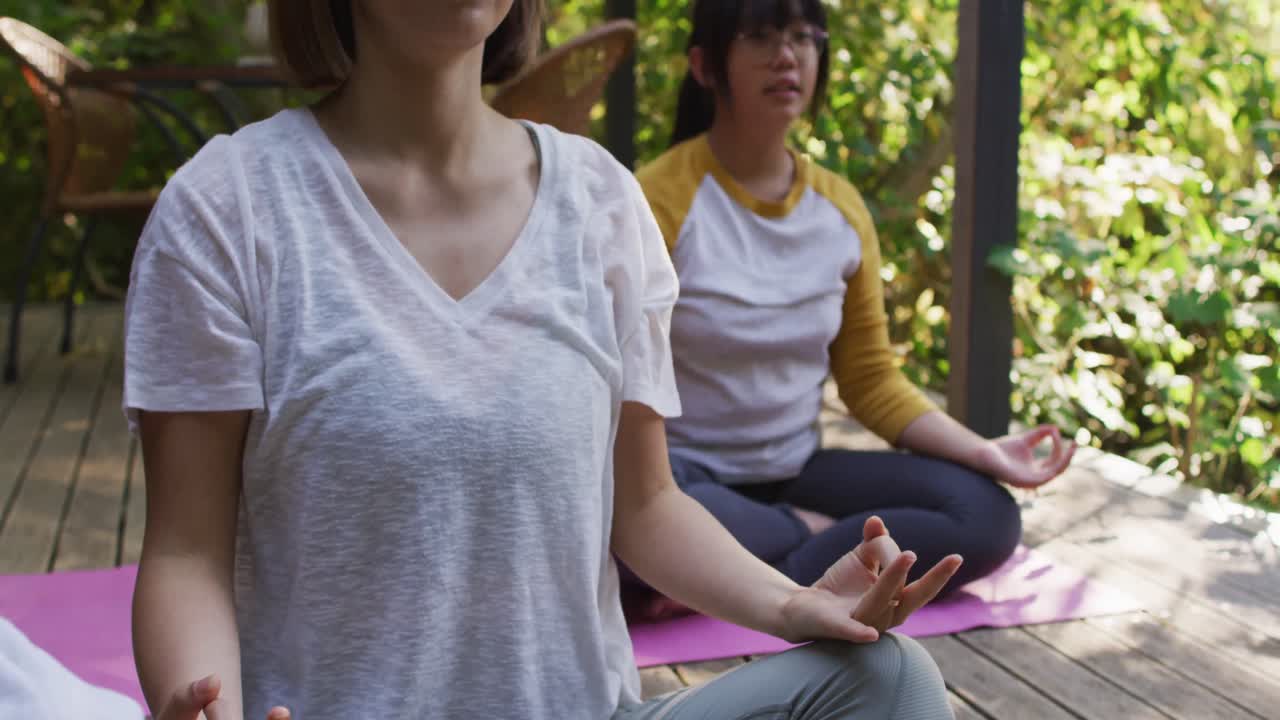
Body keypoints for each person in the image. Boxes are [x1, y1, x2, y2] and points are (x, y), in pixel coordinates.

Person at [123, 0, 964, 719]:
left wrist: (791, 603)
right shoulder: (228, 208)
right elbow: (185, 552)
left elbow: (645, 506)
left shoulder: (600, 200)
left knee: (887, 682)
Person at [633, 0, 1075, 612]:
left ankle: (728, 577)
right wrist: (804, 523)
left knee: (986, 513)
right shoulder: (655, 199)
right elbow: (611, 389)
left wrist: (984, 451)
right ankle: (799, 541)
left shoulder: (838, 210)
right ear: (706, 67)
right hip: (679, 479)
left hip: (796, 469)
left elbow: (871, 382)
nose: (786, 55)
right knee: (613, 511)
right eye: (759, 37)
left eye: (802, 37)